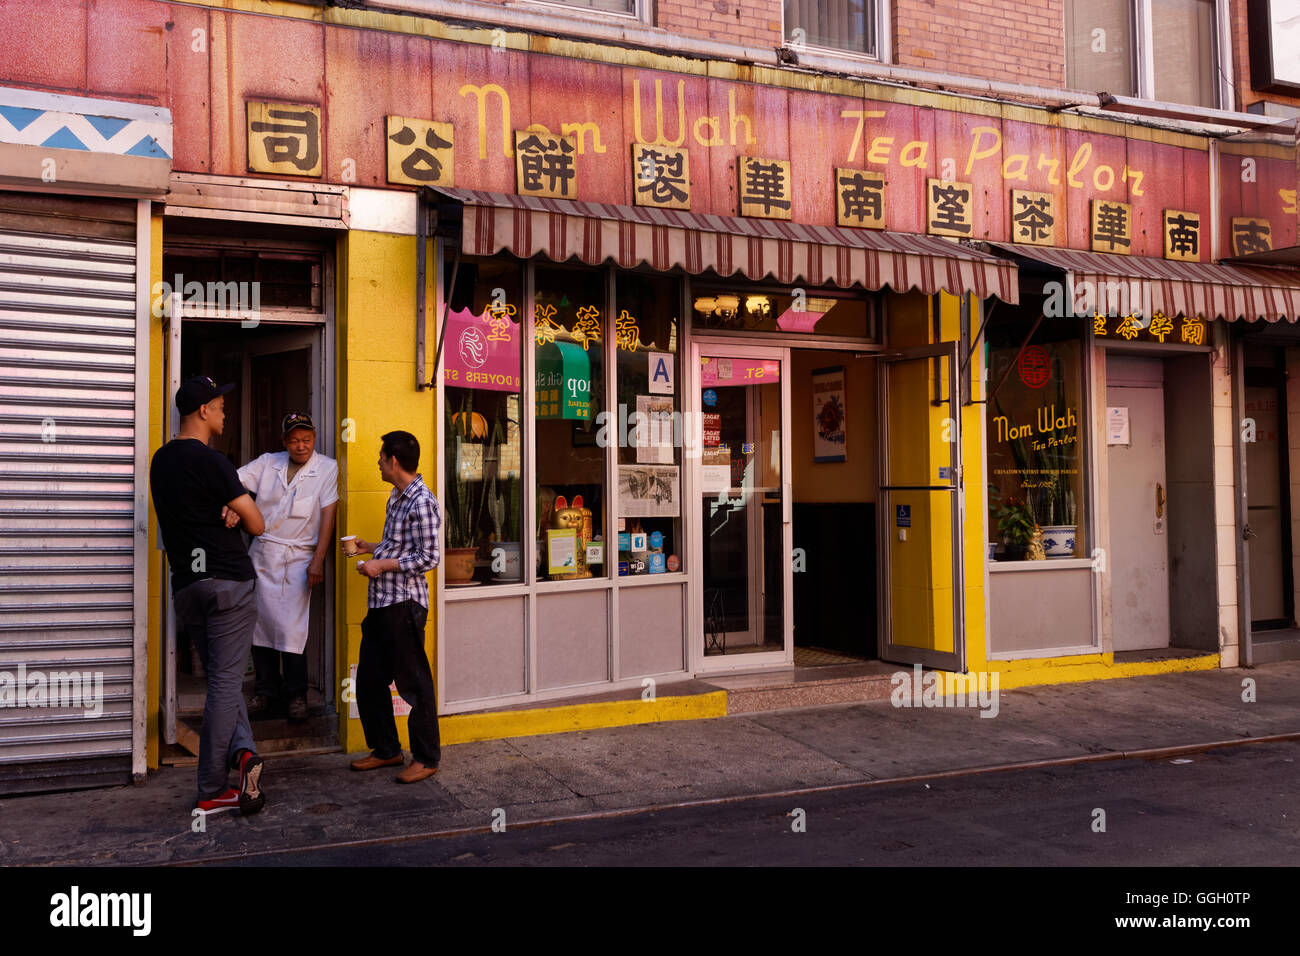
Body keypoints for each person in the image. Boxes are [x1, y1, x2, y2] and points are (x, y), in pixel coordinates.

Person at [150, 375, 268, 817]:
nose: (223, 412)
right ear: (203, 411)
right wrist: (237, 509)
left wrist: (226, 506)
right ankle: (211, 788)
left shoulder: (160, 461)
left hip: (188, 585)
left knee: (222, 673)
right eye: (219, 406)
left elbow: (187, 512)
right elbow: (257, 524)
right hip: (228, 584)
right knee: (224, 684)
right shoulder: (215, 463)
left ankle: (243, 754)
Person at [346, 430, 442, 783]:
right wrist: (368, 547)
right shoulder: (397, 496)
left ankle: (427, 757)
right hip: (382, 603)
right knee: (370, 681)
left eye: (382, 457)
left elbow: (429, 557)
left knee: (414, 684)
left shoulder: (422, 501)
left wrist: (381, 565)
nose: (378, 462)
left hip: (404, 606)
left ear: (394, 461)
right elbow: (397, 545)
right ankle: (386, 750)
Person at [235, 412, 339, 722]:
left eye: (306, 439)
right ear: (285, 441)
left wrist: (318, 561)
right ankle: (266, 691)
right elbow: (232, 480)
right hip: (263, 555)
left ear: (315, 438)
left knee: (292, 631)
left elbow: (327, 516)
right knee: (260, 626)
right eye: (294, 440)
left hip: (298, 559)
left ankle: (296, 694)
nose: (301, 445)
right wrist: (233, 505)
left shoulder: (326, 468)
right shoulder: (269, 462)